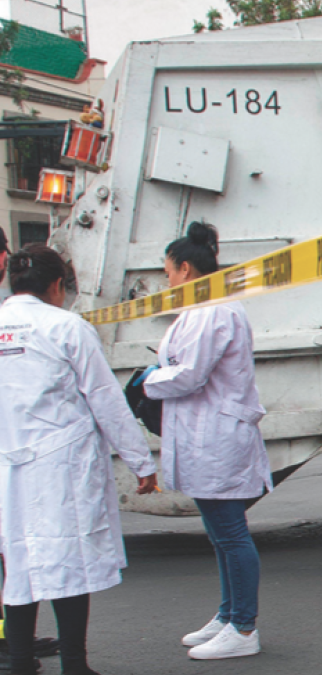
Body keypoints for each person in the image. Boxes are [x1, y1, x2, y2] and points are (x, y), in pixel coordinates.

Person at [0, 244, 158, 675]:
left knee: (18, 563)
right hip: (60, 466)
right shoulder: (67, 327)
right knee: (68, 561)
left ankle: (19, 662)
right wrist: (141, 462)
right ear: (56, 286)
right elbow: (105, 399)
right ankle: (74, 663)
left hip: (7, 468)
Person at [141, 222, 271, 660]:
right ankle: (228, 614)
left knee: (231, 533)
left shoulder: (214, 309)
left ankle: (244, 627)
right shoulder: (200, 308)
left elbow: (189, 374)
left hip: (218, 437)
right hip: (206, 434)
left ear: (185, 268)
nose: (167, 281)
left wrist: (146, 381)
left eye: (168, 273)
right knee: (220, 534)